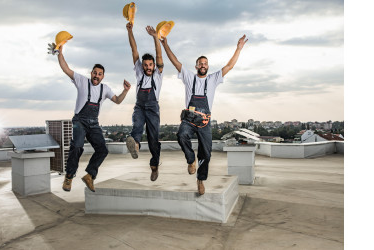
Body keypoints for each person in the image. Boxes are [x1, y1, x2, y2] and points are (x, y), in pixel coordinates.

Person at [161, 34, 248, 195]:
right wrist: (165, 44)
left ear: (208, 66)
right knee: (181, 135)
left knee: (206, 154)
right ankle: (190, 160)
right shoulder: (188, 77)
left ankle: (200, 180)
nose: (203, 65)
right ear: (196, 66)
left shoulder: (213, 79)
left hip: (205, 121)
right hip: (189, 119)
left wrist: (239, 48)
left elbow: (229, 66)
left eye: (205, 63)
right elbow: (175, 62)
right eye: (200, 63)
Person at [54, 42, 131, 192]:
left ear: (103, 76)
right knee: (77, 146)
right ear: (91, 73)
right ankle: (69, 177)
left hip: (94, 124)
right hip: (79, 121)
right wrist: (60, 53)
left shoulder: (105, 89)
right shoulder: (82, 81)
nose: (96, 76)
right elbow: (66, 69)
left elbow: (117, 101)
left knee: (102, 150)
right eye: (94, 73)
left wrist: (125, 91)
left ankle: (90, 175)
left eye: (99, 74)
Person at [124, 23, 165, 181]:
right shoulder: (139, 73)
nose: (148, 67)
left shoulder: (158, 75)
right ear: (142, 65)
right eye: (145, 65)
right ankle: (135, 145)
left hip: (153, 108)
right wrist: (130, 31)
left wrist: (156, 38)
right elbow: (134, 50)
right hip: (140, 106)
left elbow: (159, 55)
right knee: (137, 125)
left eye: (150, 65)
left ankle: (154, 166)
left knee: (153, 140)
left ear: (154, 65)